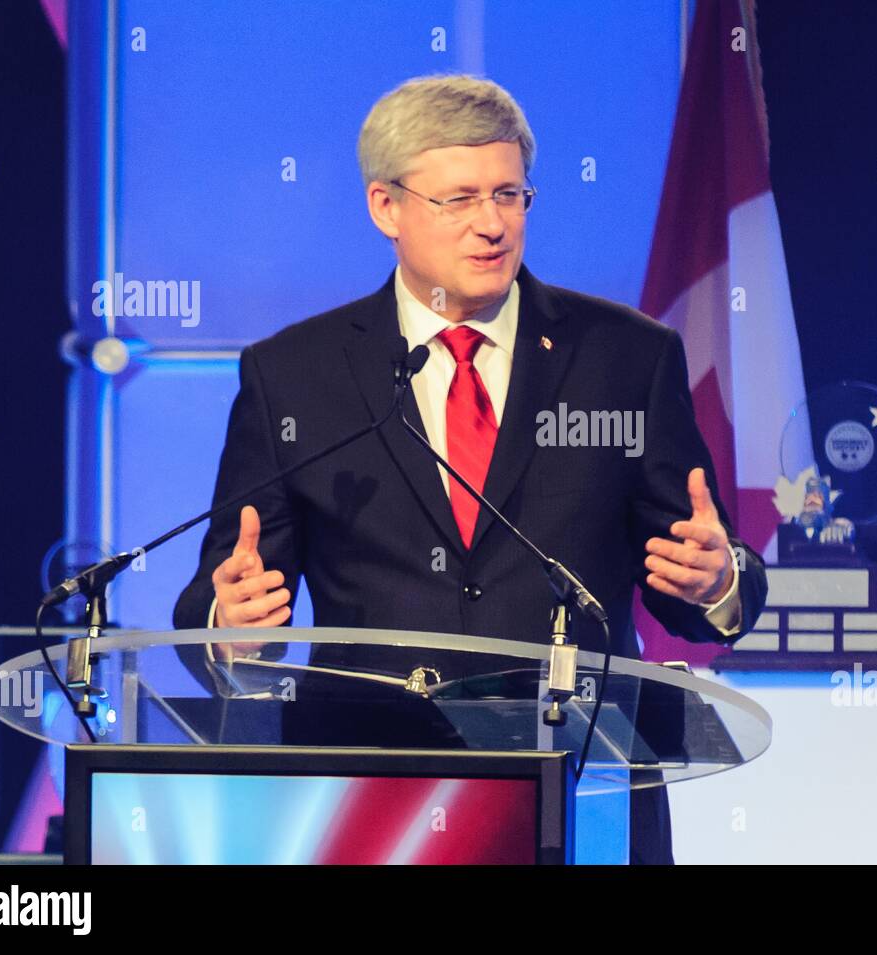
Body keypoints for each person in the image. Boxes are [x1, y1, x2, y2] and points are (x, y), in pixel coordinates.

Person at [173, 74, 768, 864]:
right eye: (458, 199)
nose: (492, 224)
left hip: (579, 793)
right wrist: (228, 624)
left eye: (510, 194)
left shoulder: (626, 359)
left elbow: (709, 574)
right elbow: (228, 583)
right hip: (366, 798)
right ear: (386, 207)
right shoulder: (294, 374)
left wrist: (718, 582)